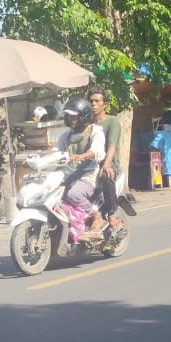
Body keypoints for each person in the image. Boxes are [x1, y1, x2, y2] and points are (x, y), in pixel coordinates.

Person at [56, 98, 107, 238]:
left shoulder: (95, 132)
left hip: (89, 175)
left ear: (84, 116)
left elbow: (98, 151)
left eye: (74, 116)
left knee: (73, 194)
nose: (71, 119)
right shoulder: (66, 135)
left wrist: (82, 156)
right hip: (69, 175)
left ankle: (96, 216)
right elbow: (55, 152)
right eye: (69, 116)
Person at [86, 87, 128, 236]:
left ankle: (111, 214)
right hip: (89, 167)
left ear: (105, 104)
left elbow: (111, 146)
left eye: (97, 101)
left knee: (105, 175)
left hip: (110, 165)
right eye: (91, 101)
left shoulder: (112, 122)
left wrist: (106, 164)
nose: (93, 104)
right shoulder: (87, 123)